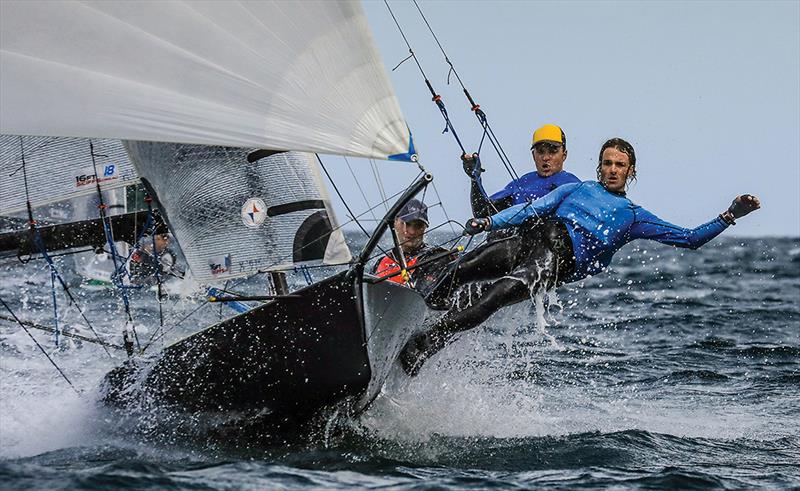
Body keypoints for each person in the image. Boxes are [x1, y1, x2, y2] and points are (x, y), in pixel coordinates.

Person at [401, 137, 760, 375]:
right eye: (607, 163)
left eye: (620, 164)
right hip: (529, 241)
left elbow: (690, 239)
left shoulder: (633, 215)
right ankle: (405, 312)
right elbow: (529, 211)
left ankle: (426, 344)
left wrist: (729, 215)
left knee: (493, 297)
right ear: (599, 166)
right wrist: (487, 221)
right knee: (460, 269)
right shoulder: (575, 188)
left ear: (631, 171)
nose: (613, 169)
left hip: (553, 262)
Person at [464, 124, 581, 218]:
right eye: (540, 151)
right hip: (514, 243)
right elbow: (482, 213)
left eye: (552, 151)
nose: (545, 157)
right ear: (533, 155)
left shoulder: (574, 186)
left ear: (564, 155)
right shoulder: (521, 184)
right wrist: (475, 178)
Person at [372, 199, 452, 295]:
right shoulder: (381, 261)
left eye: (418, 226)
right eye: (407, 224)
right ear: (395, 222)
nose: (412, 232)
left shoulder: (437, 258)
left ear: (425, 228)